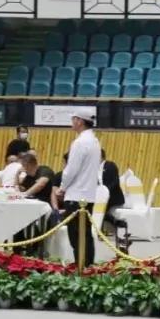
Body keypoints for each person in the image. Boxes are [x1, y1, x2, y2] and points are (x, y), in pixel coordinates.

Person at [55, 110, 101, 267]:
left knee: (76, 235)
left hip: (76, 195)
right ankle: (87, 265)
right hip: (88, 194)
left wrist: (62, 188)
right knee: (86, 234)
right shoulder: (95, 141)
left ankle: (81, 265)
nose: (72, 122)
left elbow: (71, 169)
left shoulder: (80, 143)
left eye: (73, 119)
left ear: (80, 121)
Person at [100, 150, 126, 215]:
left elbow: (116, 181)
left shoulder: (110, 165)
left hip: (112, 198)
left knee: (101, 212)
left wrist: (105, 190)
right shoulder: (94, 168)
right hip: (101, 197)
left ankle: (116, 222)